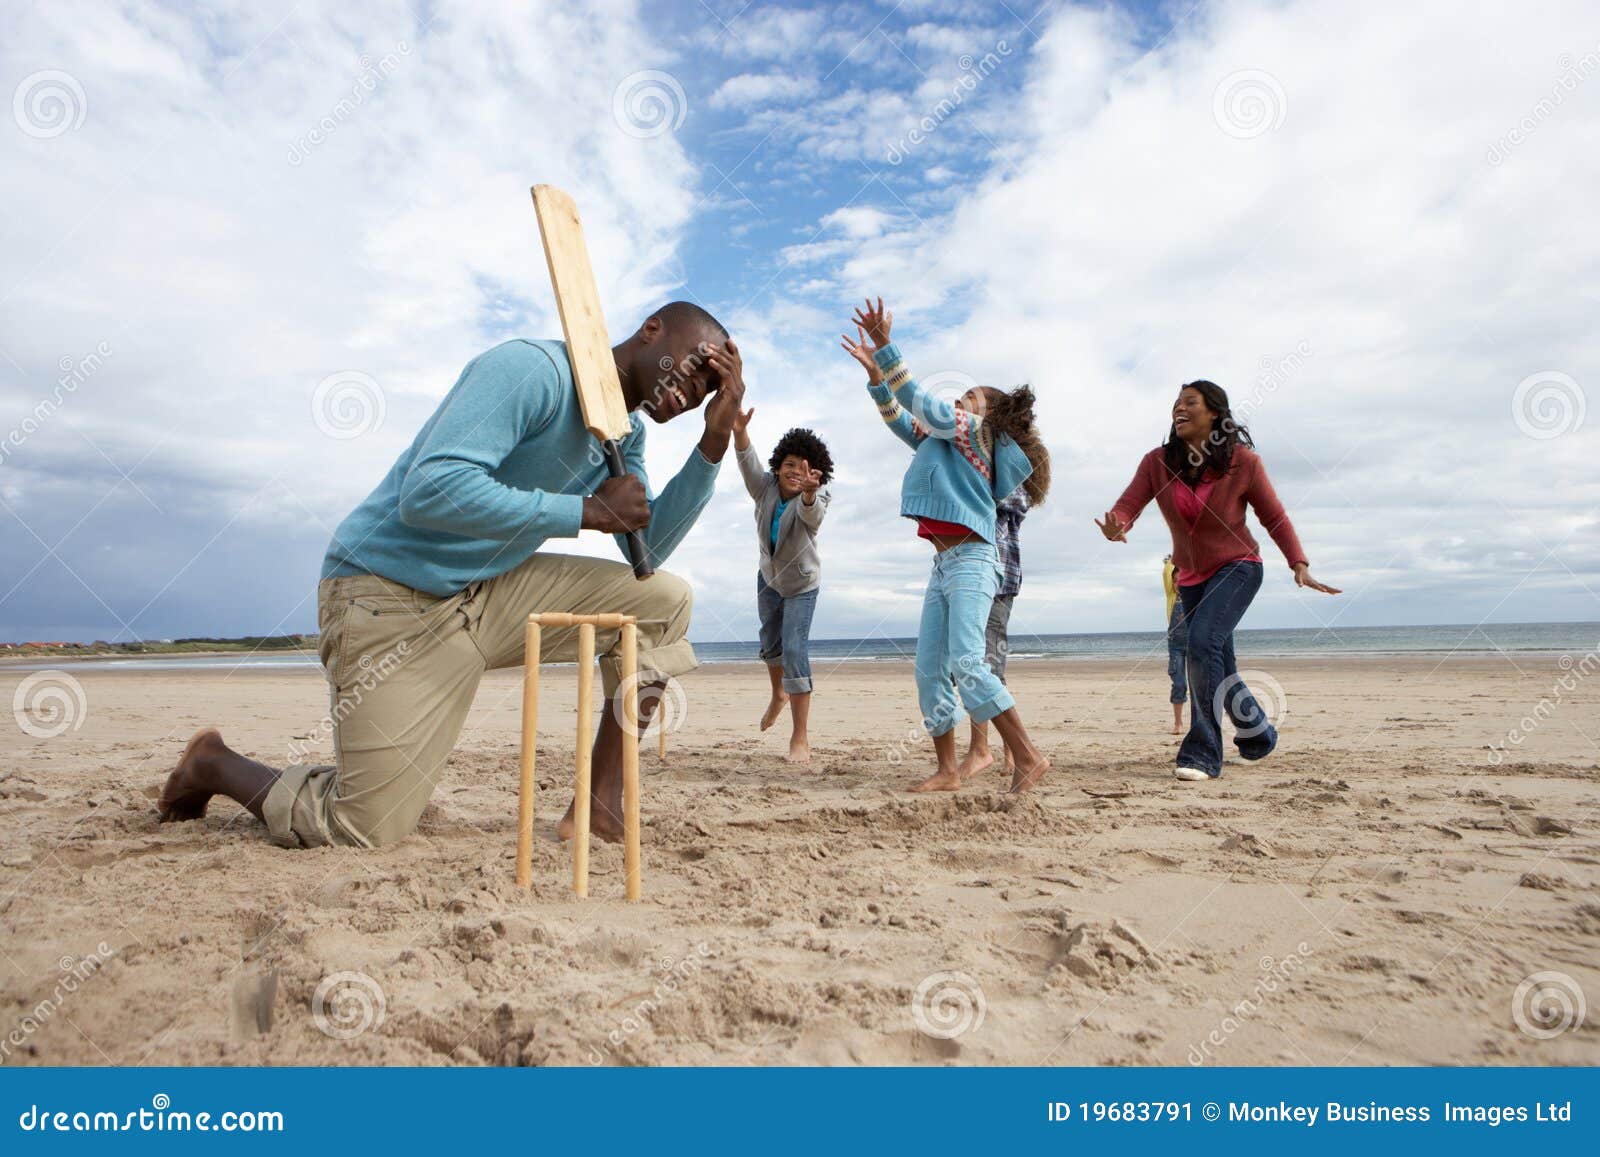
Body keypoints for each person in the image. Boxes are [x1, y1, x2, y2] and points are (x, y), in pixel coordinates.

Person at [159, 301, 746, 847]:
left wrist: (714, 441)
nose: (694, 391)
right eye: (696, 368)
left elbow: (648, 552)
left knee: (663, 603)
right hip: (385, 595)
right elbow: (429, 491)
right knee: (361, 827)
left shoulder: (627, 434)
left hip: (487, 593)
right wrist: (583, 511)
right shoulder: (533, 370)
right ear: (651, 332)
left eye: (708, 389)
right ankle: (212, 762)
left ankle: (599, 801)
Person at [841, 297, 1052, 794]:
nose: (960, 401)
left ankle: (1027, 755)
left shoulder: (973, 432)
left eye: (970, 396)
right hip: (942, 565)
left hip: (976, 560)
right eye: (961, 397)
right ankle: (948, 770)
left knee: (967, 664)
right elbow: (900, 418)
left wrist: (888, 346)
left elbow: (920, 400)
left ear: (990, 416)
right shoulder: (944, 438)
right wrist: (876, 378)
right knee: (929, 672)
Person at [1096, 380, 1339, 782]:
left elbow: (1273, 516)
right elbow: (1128, 505)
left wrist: (1298, 561)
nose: (1179, 409)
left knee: (1200, 643)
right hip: (1190, 577)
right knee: (1219, 663)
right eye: (1176, 403)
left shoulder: (1244, 462)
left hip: (1238, 567)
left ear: (1215, 413)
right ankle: (1258, 735)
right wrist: (1116, 526)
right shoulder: (1157, 462)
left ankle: (1203, 752)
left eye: (1190, 402)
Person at [734, 413, 832, 763]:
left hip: (802, 586)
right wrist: (740, 431)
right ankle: (779, 694)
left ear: (816, 474)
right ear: (778, 467)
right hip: (769, 579)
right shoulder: (765, 489)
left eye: (804, 468)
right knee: (770, 645)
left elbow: (813, 517)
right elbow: (748, 464)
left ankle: (800, 738)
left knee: (793, 650)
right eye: (789, 464)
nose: (795, 472)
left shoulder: (815, 499)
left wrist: (809, 495)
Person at [957, 485, 1030, 780]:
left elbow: (1020, 501)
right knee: (970, 663)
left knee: (987, 664)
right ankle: (983, 748)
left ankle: (995, 749)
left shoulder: (1006, 475)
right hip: (965, 577)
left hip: (999, 580)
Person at [1163, 554, 1187, 735]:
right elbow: (1167, 571)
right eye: (1176, 581)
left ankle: (1200, 723)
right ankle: (1178, 723)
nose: (1179, 585)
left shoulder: (1196, 597)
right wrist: (1176, 555)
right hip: (1176, 647)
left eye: (1183, 581)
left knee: (1199, 686)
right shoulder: (1172, 597)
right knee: (1179, 683)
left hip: (1195, 645)